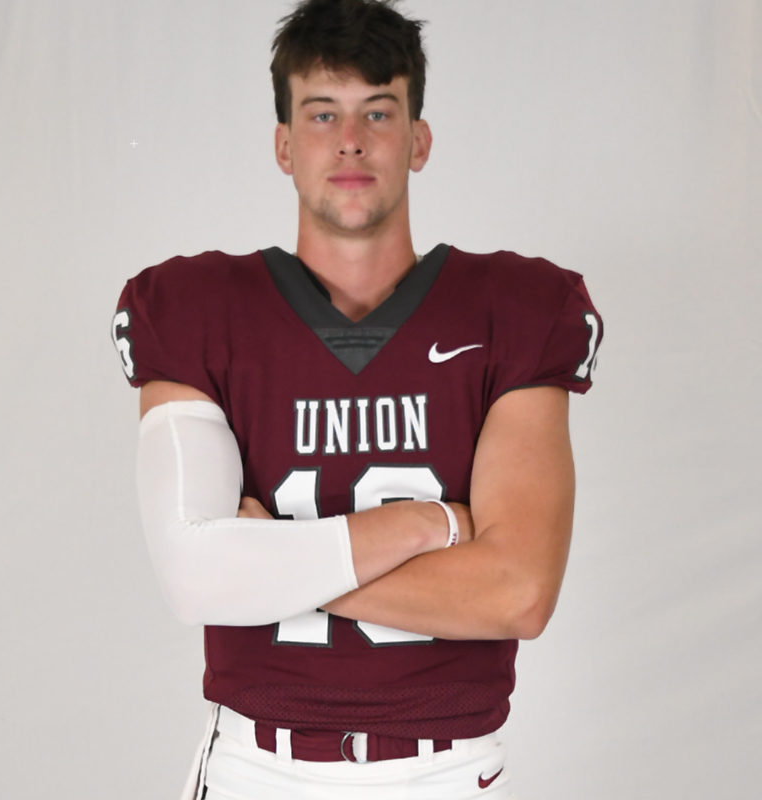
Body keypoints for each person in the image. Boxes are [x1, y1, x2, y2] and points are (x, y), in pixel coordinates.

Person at [111, 1, 603, 797]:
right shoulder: (196, 308)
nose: (350, 139)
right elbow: (196, 573)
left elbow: (518, 593)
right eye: (321, 114)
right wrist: (427, 526)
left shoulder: (514, 309)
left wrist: (273, 563)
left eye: (378, 111)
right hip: (256, 770)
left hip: (446, 770)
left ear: (419, 140)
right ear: (283, 145)